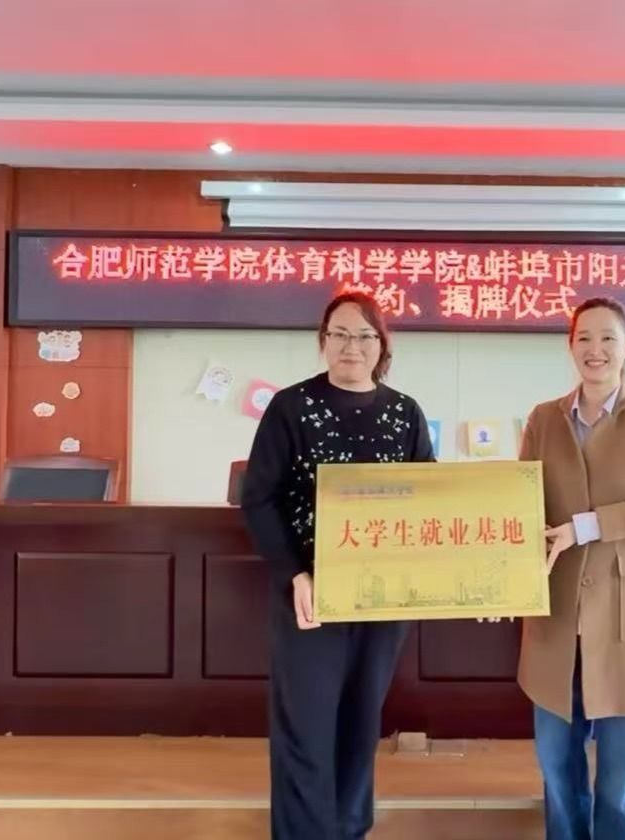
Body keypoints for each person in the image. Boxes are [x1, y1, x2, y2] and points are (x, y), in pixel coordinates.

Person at [241, 291, 434, 840]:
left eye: (365, 335)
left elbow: (430, 497)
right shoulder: (291, 407)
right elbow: (259, 498)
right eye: (341, 334)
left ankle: (349, 829)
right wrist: (293, 573)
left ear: (382, 346)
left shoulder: (404, 413)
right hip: (309, 593)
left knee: (359, 721)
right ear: (323, 342)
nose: (352, 346)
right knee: (305, 723)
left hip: (383, 597)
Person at [517, 296, 625, 840]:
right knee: (557, 764)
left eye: (608, 338)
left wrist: (585, 527)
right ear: (570, 346)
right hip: (557, 611)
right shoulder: (544, 418)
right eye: (584, 338)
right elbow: (522, 503)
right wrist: (495, 579)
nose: (595, 349)